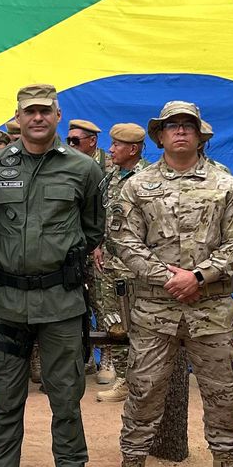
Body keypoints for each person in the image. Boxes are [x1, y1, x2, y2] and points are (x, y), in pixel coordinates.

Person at [104, 102, 233, 467]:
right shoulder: (138, 186)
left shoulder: (225, 184)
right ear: (159, 136)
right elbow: (124, 241)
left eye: (189, 125)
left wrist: (200, 276)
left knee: (222, 396)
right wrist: (166, 277)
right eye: (172, 126)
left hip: (211, 309)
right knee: (142, 393)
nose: (181, 131)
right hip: (155, 310)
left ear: (201, 135)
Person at [0, 84, 105, 467]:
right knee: (6, 400)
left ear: (57, 115)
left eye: (45, 111)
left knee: (66, 400)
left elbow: (93, 228)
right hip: (7, 303)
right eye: (30, 111)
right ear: (18, 116)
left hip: (61, 303)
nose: (37, 118)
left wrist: (56, 259)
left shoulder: (83, 168)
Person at [92, 122, 147, 398]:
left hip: (135, 264)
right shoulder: (111, 176)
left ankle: (140, 381)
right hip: (109, 261)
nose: (111, 149)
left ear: (133, 149)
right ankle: (124, 379)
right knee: (113, 321)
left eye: (116, 145)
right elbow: (104, 214)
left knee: (137, 321)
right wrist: (98, 245)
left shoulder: (148, 177)